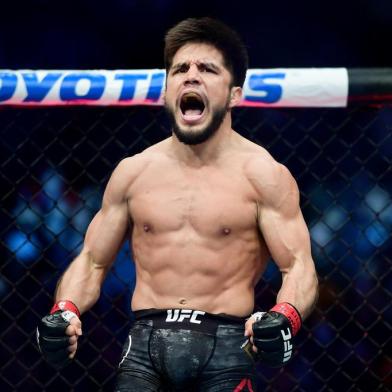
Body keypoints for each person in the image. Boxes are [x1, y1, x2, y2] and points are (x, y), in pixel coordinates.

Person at [37, 17, 318, 391]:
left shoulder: (263, 174)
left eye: (207, 69)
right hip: (144, 346)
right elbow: (92, 259)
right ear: (166, 91)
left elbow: (299, 266)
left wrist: (285, 316)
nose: (191, 76)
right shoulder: (134, 172)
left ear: (234, 94)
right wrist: (64, 311)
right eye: (180, 69)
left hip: (227, 346)